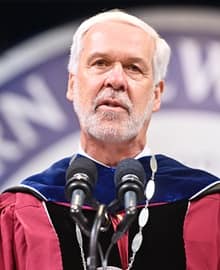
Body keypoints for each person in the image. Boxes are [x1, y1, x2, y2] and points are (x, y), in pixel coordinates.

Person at [0, 9, 220, 270]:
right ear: (72, 85)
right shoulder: (22, 211)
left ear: (157, 94)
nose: (115, 80)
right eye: (100, 63)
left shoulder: (208, 208)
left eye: (133, 68)